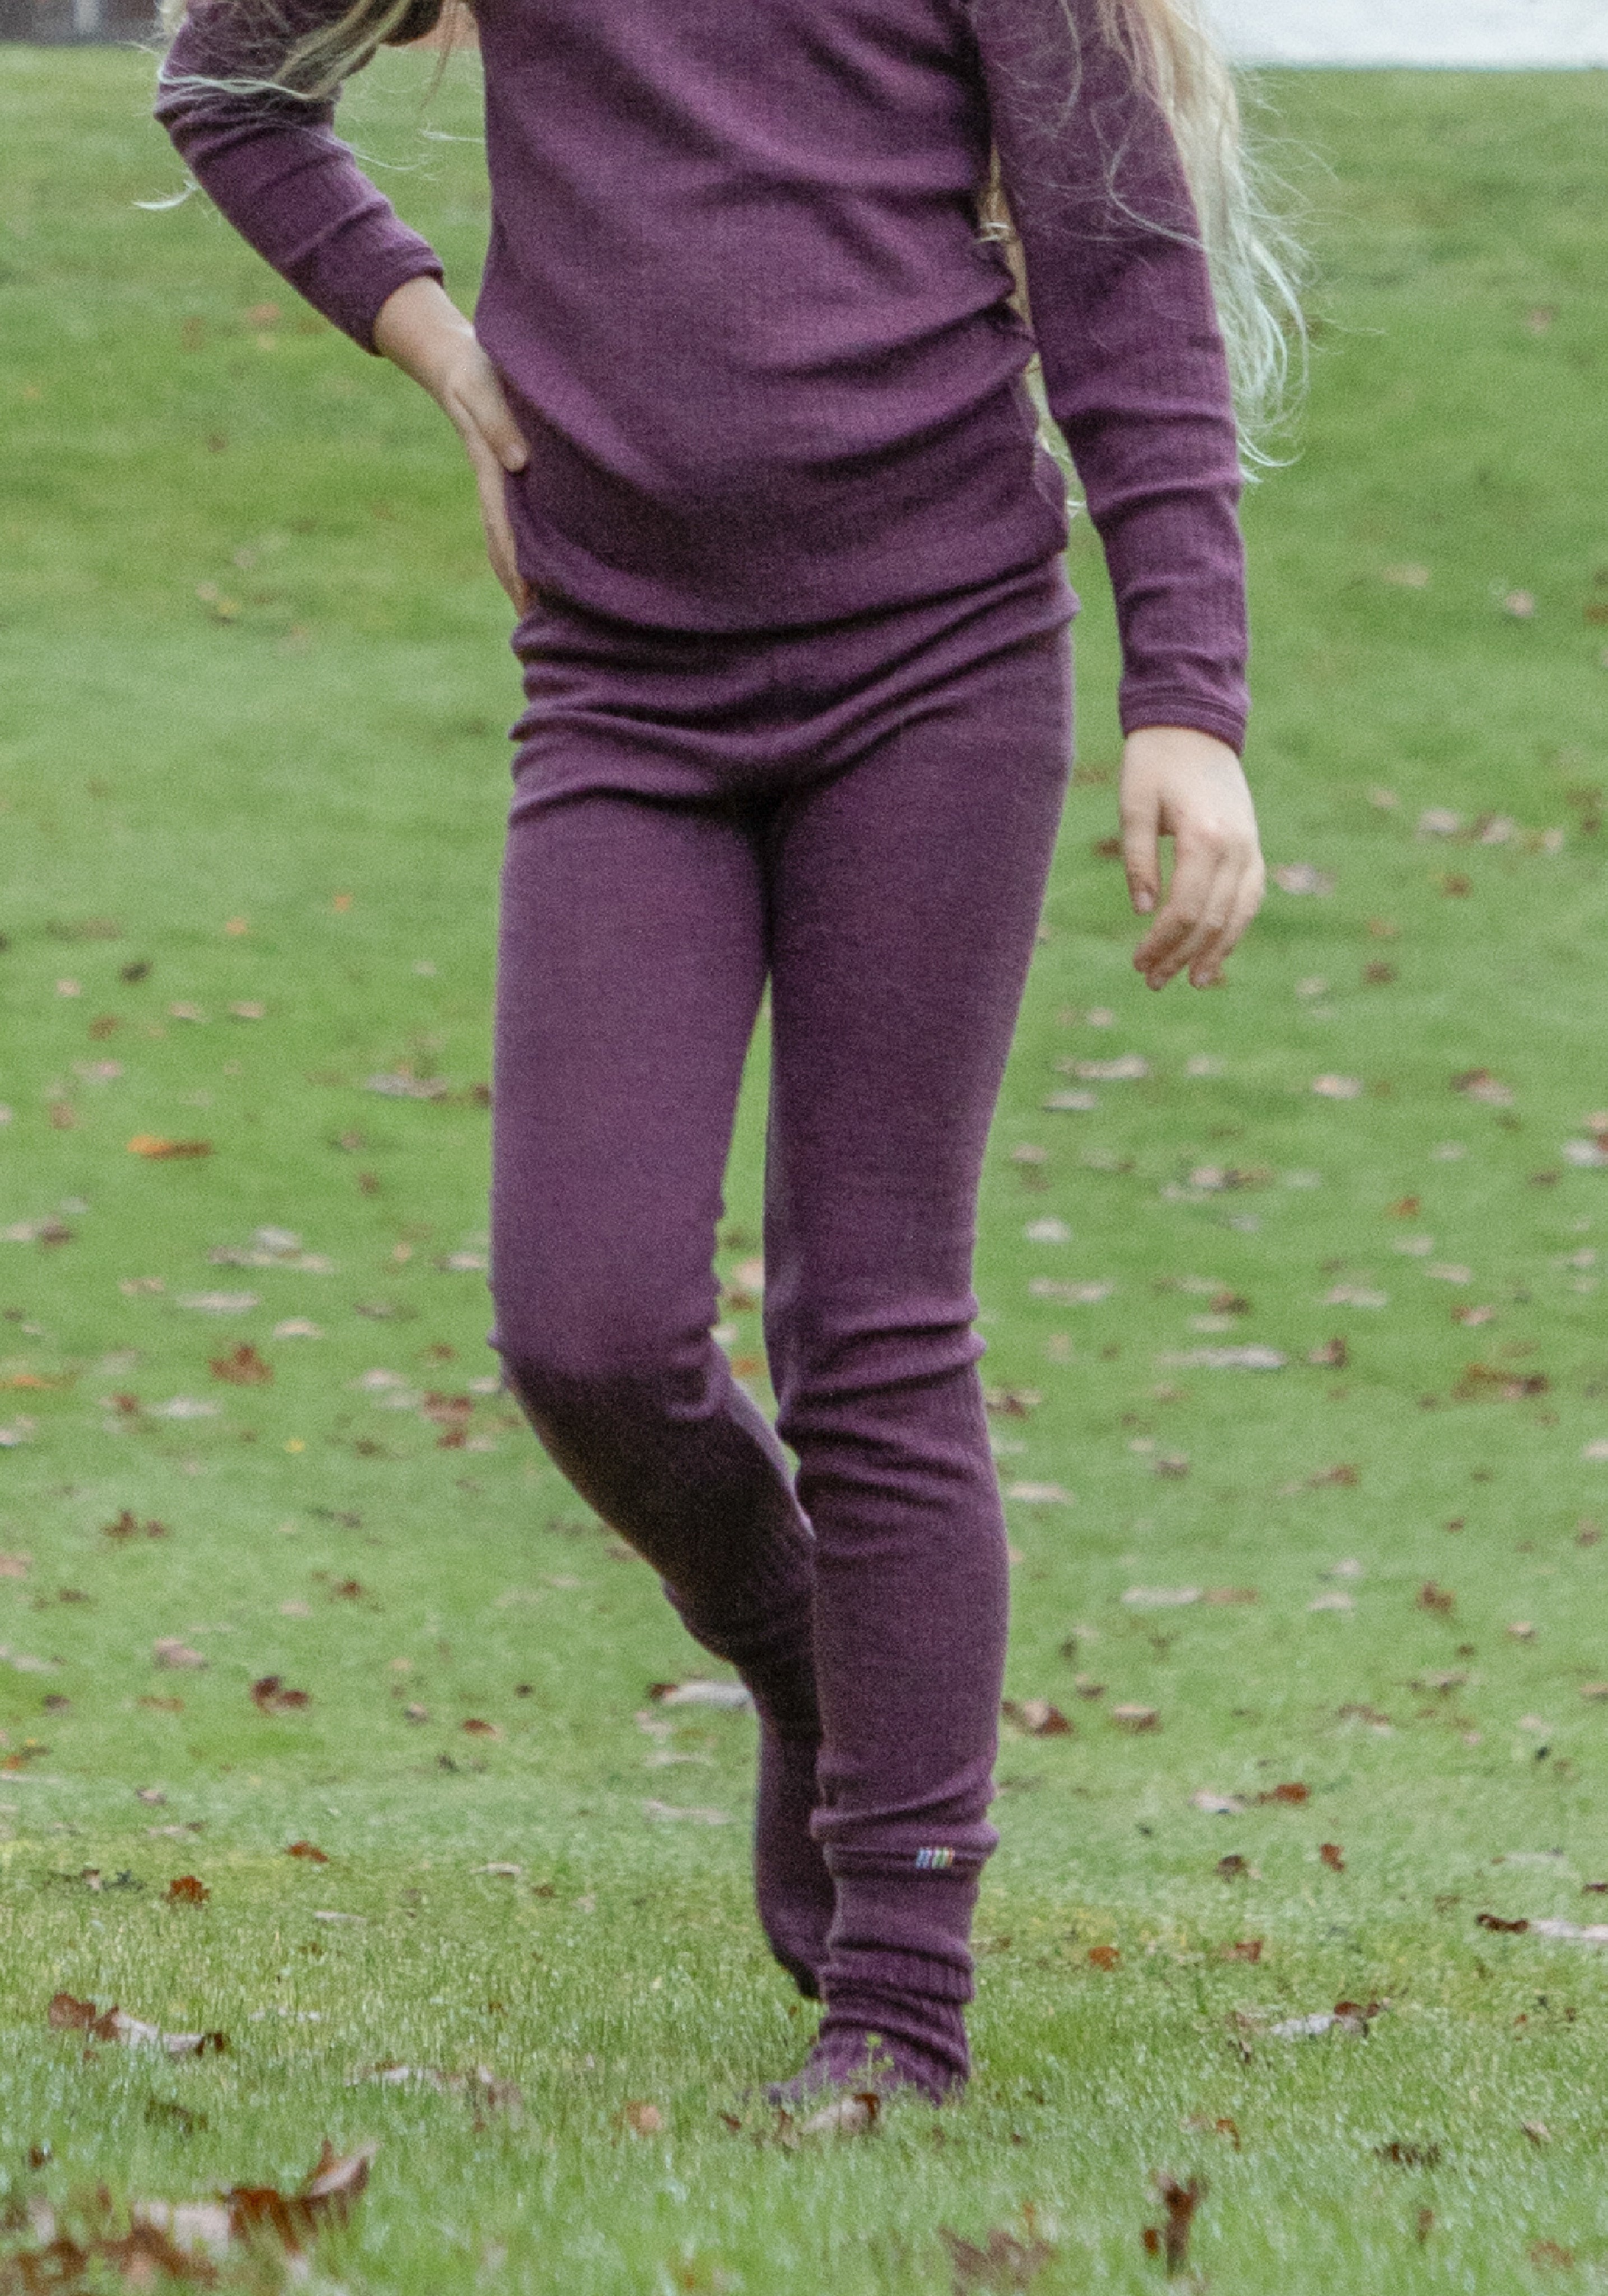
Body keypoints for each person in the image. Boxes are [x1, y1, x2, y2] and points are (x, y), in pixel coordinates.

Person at [154, 0, 1286, 2103]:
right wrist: (440, 344)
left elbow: (1122, 275)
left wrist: (1185, 704)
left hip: (941, 663)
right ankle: (800, 1648)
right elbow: (226, 81)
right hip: (620, 684)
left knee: (873, 1331)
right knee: (585, 1332)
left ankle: (897, 2006)